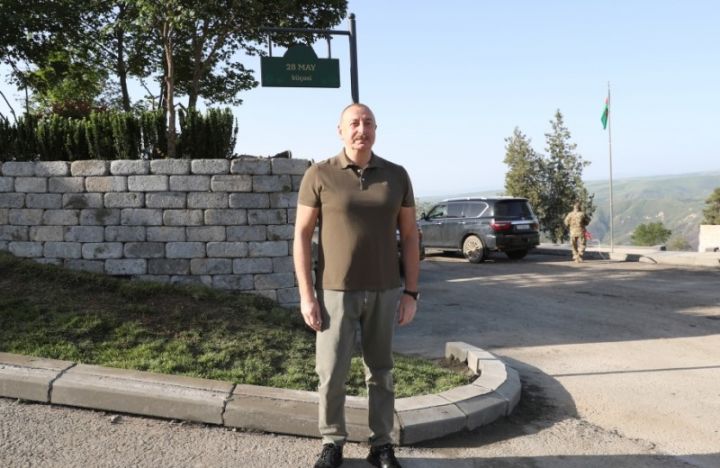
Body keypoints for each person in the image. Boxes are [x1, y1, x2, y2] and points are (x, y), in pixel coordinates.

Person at [293, 103, 419, 468]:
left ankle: (381, 445)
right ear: (340, 130)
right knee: (331, 372)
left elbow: (410, 235)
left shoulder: (396, 176)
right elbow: (301, 236)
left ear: (376, 129)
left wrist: (411, 292)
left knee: (381, 371)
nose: (361, 129)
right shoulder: (320, 174)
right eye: (354, 123)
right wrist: (307, 295)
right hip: (334, 291)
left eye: (368, 123)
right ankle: (332, 442)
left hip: (385, 289)